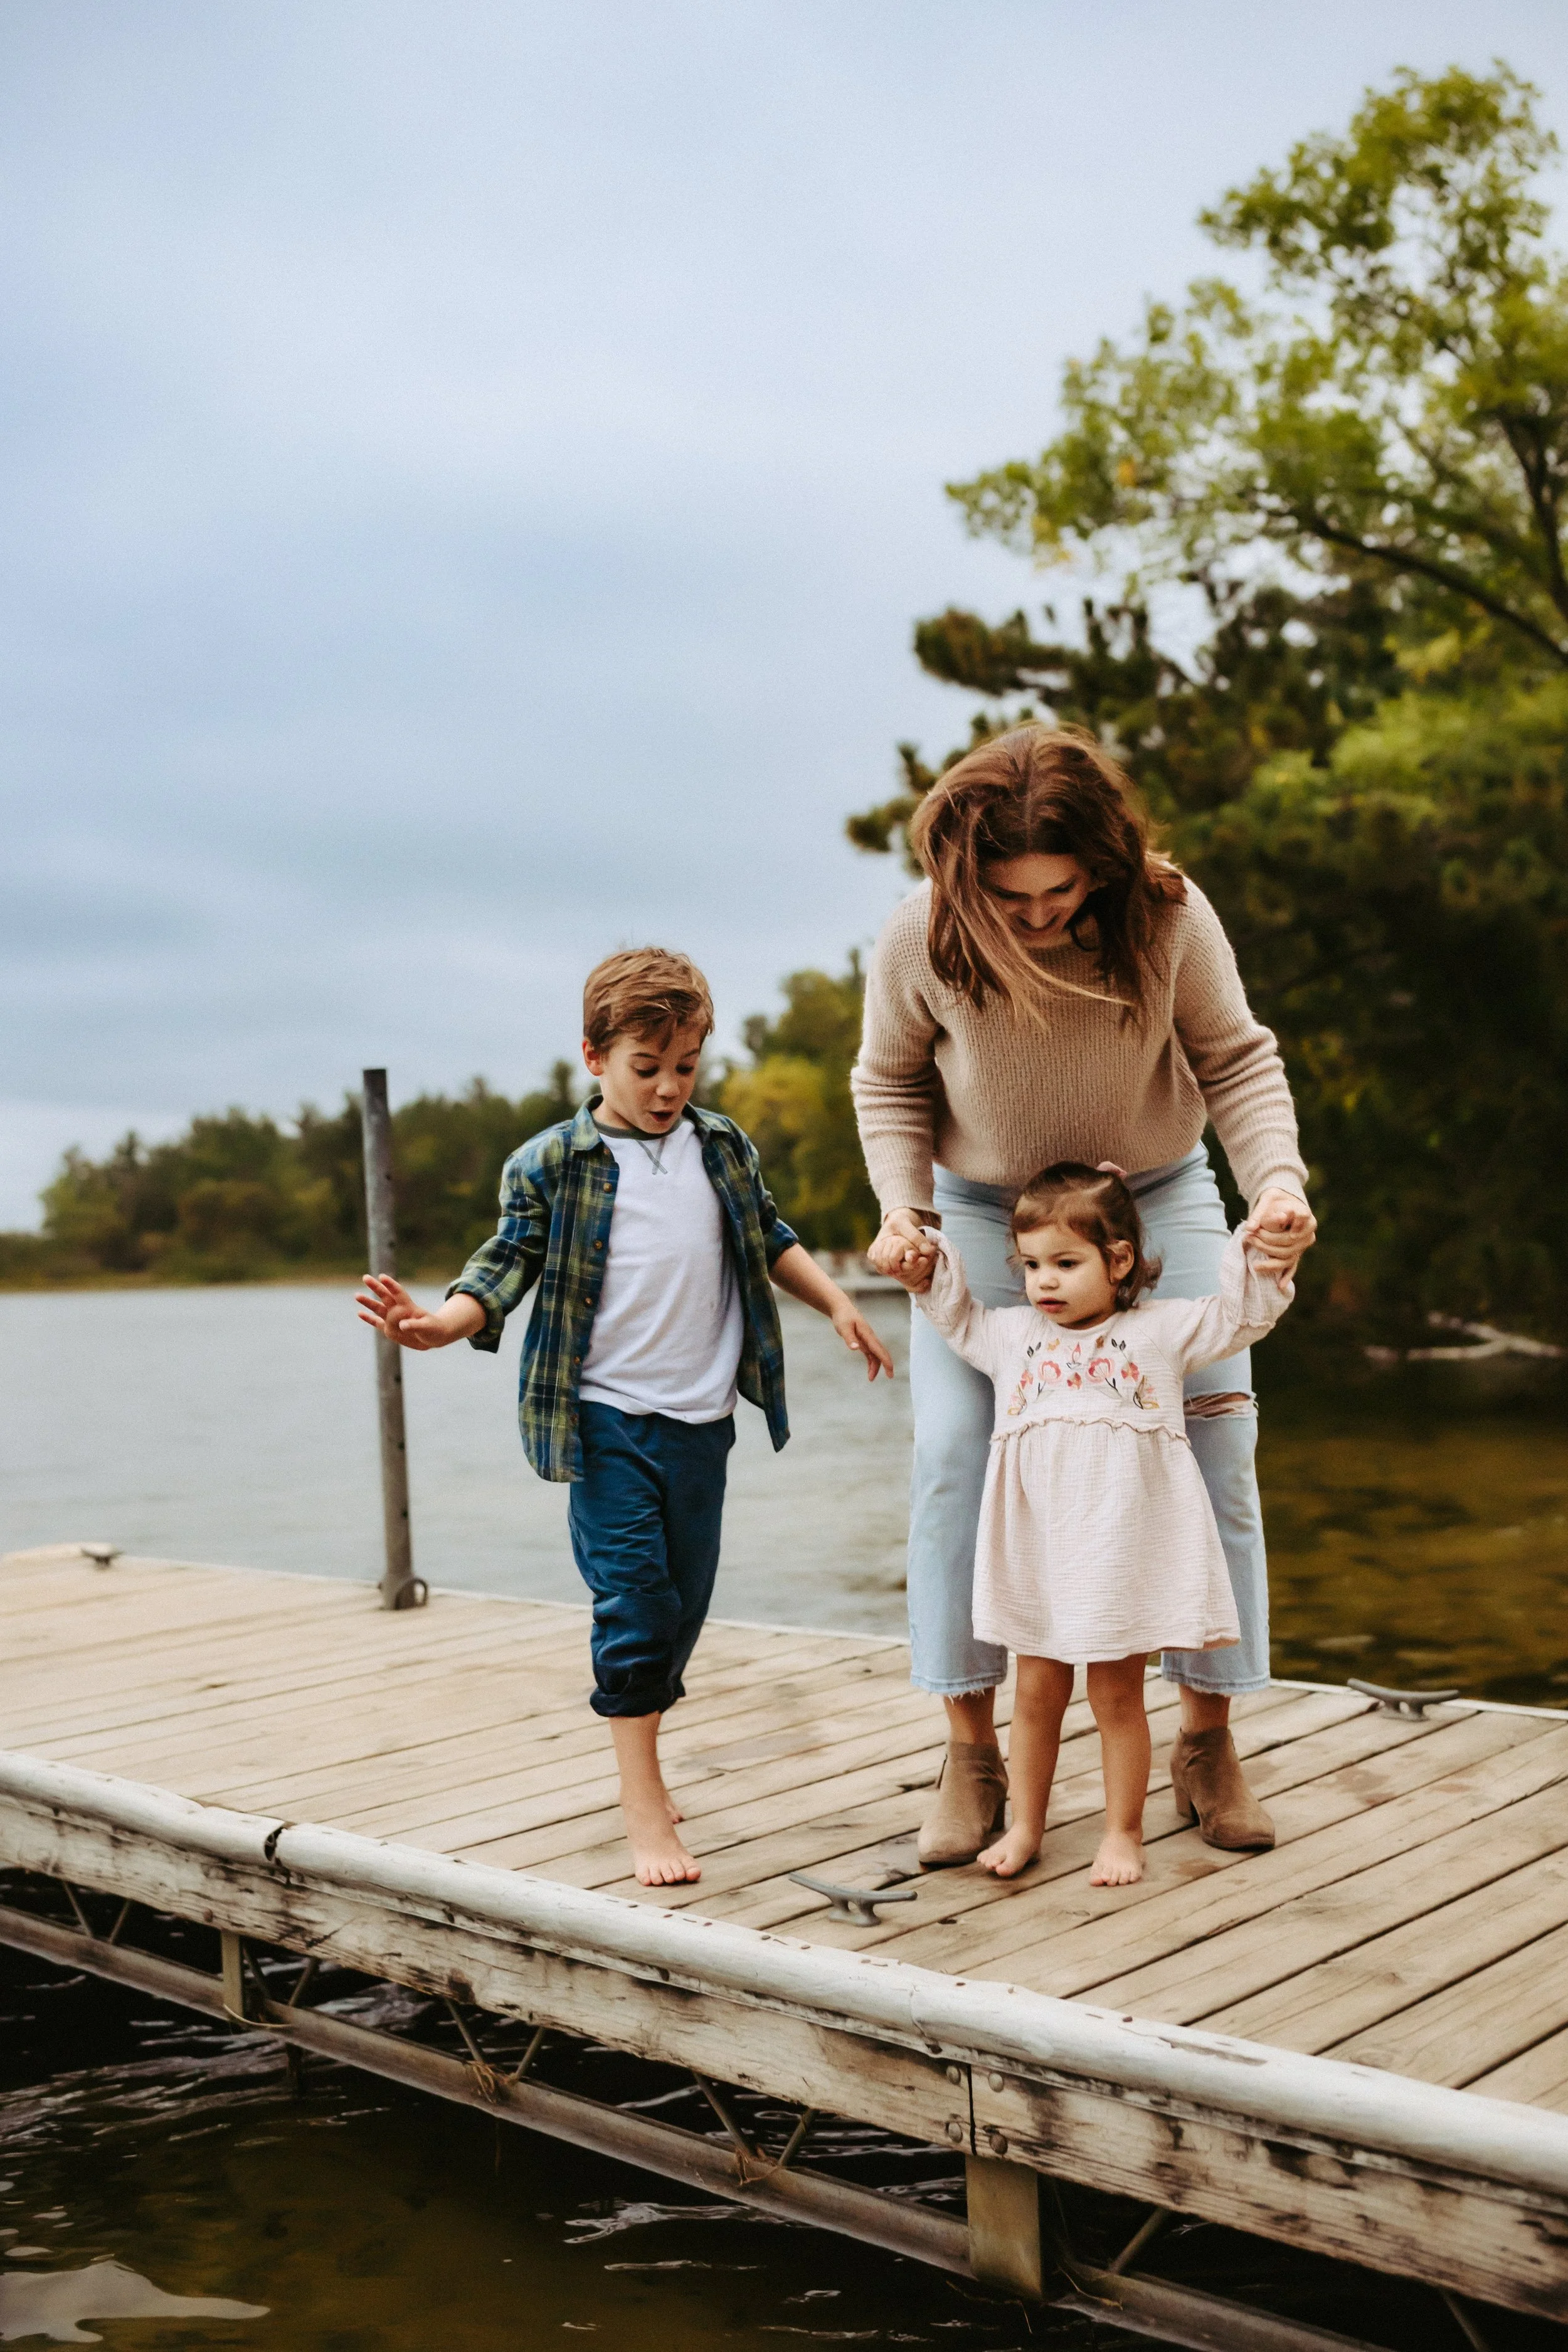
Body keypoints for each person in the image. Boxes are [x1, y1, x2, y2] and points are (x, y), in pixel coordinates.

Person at [851, 724, 1316, 1868]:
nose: (1038, 915)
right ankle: (971, 1745)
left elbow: (1238, 1058)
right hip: (980, 1210)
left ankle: (1206, 1738)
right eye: (1011, 897)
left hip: (1153, 1191)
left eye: (1060, 892)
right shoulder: (922, 930)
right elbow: (889, 1080)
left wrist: (1281, 1186)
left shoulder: (1167, 914)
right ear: (968, 875)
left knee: (1217, 1449)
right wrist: (904, 1214)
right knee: (958, 1455)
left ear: (1102, 863)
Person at [356, 946, 893, 1890]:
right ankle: (642, 1799)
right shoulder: (554, 1164)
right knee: (636, 1604)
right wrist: (443, 1321)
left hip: (702, 1421)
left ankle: (644, 1739)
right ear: (593, 1056)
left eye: (685, 1066)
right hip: (603, 1420)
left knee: (683, 1604)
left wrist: (839, 1304)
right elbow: (507, 1261)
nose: (667, 1087)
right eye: (647, 1068)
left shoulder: (721, 1145)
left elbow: (767, 1233)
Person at [894, 1162, 1291, 1885]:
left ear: (1119, 1261)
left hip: (1119, 1557)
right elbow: (953, 1315)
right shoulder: (1011, 1338)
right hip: (1040, 1559)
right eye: (1032, 1265)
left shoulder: (1161, 1334)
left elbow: (1243, 1316)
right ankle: (1023, 1827)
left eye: (1065, 1264)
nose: (1042, 1282)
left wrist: (1262, 1248)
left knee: (1117, 1698)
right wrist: (924, 1263)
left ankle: (1122, 1832)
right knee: (1036, 1696)